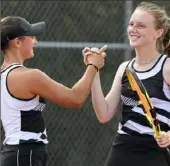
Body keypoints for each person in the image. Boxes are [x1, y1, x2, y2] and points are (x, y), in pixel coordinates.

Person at [0, 16, 107, 166]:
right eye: (31, 36)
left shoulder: (4, 74)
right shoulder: (29, 76)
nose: (35, 41)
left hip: (17, 153)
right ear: (17, 42)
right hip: (25, 154)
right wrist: (93, 66)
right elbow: (75, 98)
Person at [83, 1, 170, 166]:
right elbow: (104, 114)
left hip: (155, 152)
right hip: (122, 149)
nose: (133, 29)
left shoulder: (166, 67)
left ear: (158, 32)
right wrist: (93, 70)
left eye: (141, 26)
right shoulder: (125, 68)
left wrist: (169, 135)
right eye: (131, 24)